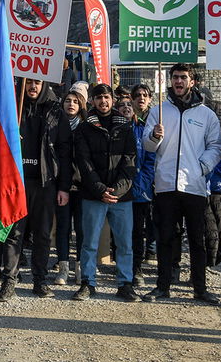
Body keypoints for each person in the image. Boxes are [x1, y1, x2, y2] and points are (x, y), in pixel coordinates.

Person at [141, 64, 221, 305]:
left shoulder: (206, 114)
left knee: (197, 240)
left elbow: (216, 146)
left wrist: (202, 167)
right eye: (175, 77)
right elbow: (147, 146)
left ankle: (200, 288)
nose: (178, 81)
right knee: (166, 237)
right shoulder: (159, 111)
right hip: (166, 184)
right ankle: (162, 286)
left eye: (183, 78)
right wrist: (154, 136)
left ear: (192, 81)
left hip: (194, 185)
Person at [0, 78, 71, 301]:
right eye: (29, 82)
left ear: (44, 86)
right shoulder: (13, 109)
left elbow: (65, 152)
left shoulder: (55, 112)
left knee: (42, 235)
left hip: (45, 183)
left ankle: (39, 280)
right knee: (14, 234)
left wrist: (64, 187)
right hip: (17, 182)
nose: (33, 87)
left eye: (37, 83)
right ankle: (9, 280)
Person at [71, 84, 139, 302]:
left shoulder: (125, 127)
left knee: (124, 243)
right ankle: (88, 283)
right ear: (92, 101)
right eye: (99, 98)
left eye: (107, 97)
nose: (103, 102)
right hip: (94, 195)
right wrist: (100, 189)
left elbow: (130, 160)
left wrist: (117, 190)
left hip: (122, 197)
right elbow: (84, 162)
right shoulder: (83, 128)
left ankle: (125, 283)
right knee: (89, 242)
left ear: (112, 100)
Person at [123, 85, 156, 285]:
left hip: (141, 190)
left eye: (144, 95)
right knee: (125, 231)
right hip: (121, 189)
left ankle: (137, 268)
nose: (140, 99)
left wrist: (138, 186)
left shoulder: (149, 126)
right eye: (137, 96)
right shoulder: (121, 126)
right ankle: (126, 267)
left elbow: (150, 160)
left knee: (140, 231)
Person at [53, 87, 86, 287]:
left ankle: (80, 266)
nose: (71, 104)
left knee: (82, 229)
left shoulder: (88, 125)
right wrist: (62, 186)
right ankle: (63, 267)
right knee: (63, 228)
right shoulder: (56, 125)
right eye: (67, 101)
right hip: (63, 185)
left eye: (75, 101)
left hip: (83, 187)